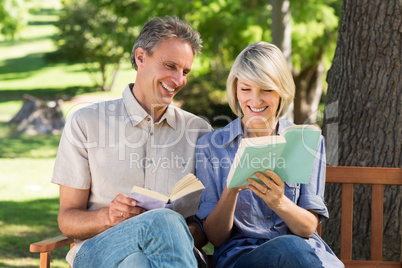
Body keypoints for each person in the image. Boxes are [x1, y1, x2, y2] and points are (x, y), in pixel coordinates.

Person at [52, 16, 212, 267]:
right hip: (100, 249)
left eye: (185, 71)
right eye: (170, 66)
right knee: (161, 223)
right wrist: (109, 216)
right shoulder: (86, 122)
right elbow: (67, 219)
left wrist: (179, 231)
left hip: (171, 254)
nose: (179, 80)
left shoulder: (199, 131)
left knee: (139, 260)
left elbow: (204, 228)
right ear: (140, 57)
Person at [195, 42, 344, 268]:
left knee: (293, 248)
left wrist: (279, 202)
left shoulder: (305, 142)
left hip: (304, 254)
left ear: (282, 90)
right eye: (246, 89)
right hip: (243, 256)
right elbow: (216, 238)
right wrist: (232, 189)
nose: (255, 100)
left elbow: (307, 228)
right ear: (235, 90)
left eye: (266, 89)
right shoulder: (211, 146)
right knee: (290, 249)